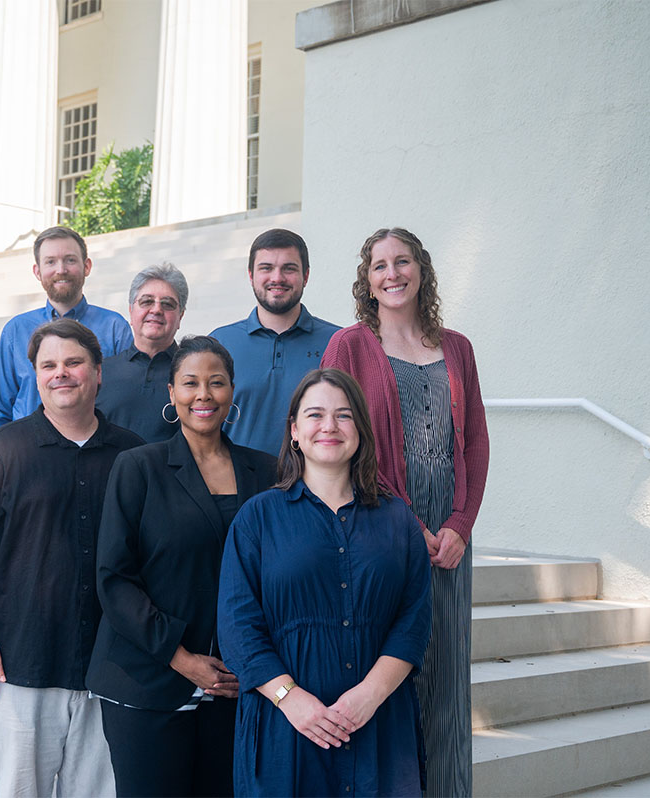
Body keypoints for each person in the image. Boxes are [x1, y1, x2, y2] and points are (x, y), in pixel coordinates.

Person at [319, 227, 490, 796]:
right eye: (379, 265)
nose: (392, 273)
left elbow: (476, 444)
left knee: (445, 675)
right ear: (366, 280)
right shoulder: (348, 345)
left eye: (403, 261)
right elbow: (343, 437)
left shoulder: (457, 346)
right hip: (380, 522)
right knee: (393, 665)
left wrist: (459, 525)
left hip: (450, 535)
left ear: (422, 268)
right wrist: (409, 525)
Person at [0, 319, 143, 797]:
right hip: (22, 662)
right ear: (34, 375)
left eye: (73, 363)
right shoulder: (2, 450)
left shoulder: (134, 456)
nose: (62, 374)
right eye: (48, 365)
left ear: (98, 372)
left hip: (109, 665)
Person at [217, 369, 432, 797]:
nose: (329, 426)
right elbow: (238, 627)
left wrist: (367, 697)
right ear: (295, 431)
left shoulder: (398, 521)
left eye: (344, 415)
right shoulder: (258, 519)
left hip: (379, 725)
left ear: (361, 432)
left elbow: (413, 621)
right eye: (315, 415)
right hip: (285, 730)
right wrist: (292, 700)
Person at [87, 335, 276, 797]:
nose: (203, 395)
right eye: (190, 382)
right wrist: (181, 659)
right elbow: (114, 577)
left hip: (234, 688)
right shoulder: (139, 467)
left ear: (233, 391)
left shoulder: (267, 473)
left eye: (216, 382)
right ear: (172, 392)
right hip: (149, 680)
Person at [0, 226, 133, 441]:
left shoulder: (114, 328)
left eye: (70, 260)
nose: (61, 269)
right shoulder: (16, 331)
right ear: (37, 271)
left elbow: (126, 401)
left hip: (96, 451)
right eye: (50, 261)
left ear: (86, 266)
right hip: (27, 453)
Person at [209, 228, 338, 457]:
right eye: (266, 268)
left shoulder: (338, 342)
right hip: (235, 486)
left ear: (306, 276)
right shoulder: (219, 343)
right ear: (251, 275)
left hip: (313, 487)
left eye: (289, 268)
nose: (277, 278)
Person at [95, 262, 188, 443]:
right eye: (146, 302)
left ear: (180, 317)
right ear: (131, 311)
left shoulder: (193, 373)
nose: (156, 310)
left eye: (167, 304)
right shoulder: (100, 372)